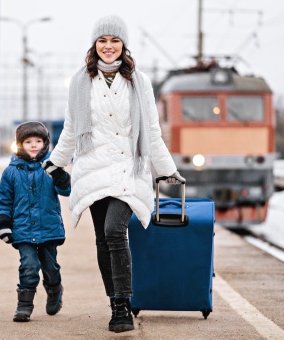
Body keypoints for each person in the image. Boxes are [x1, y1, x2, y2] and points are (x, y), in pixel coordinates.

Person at [42, 15, 185, 333]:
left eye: (115, 40)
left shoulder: (139, 82)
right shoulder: (81, 82)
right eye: (103, 40)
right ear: (95, 44)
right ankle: (114, 303)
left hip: (126, 169)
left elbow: (151, 130)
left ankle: (123, 305)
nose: (108, 46)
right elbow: (72, 129)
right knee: (102, 240)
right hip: (92, 169)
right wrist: (55, 161)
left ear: (124, 45)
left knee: (114, 231)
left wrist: (168, 172)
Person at [0, 121, 71, 322]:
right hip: (23, 229)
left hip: (48, 228)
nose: (34, 145)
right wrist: (3, 224)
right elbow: (3, 200)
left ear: (45, 143)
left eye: (38, 141)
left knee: (50, 266)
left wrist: (60, 176)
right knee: (28, 265)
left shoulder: (51, 167)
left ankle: (55, 289)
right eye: (28, 141)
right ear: (20, 144)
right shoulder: (11, 172)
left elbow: (67, 190)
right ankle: (24, 305)